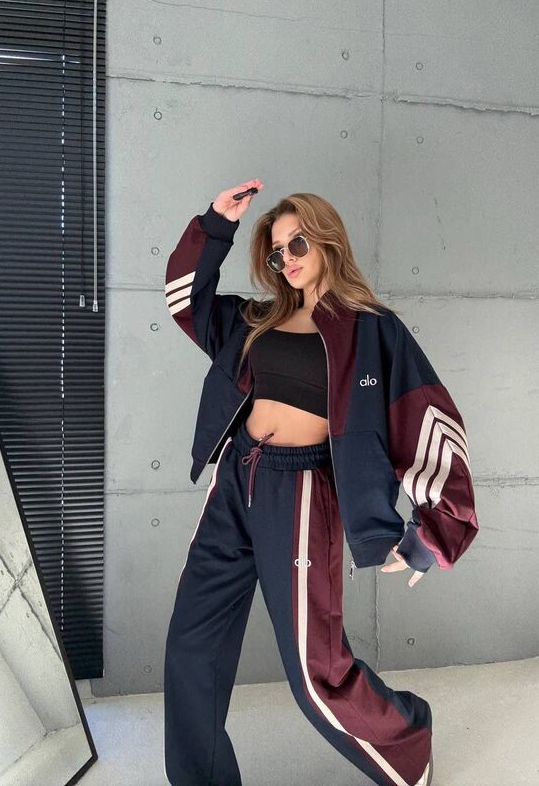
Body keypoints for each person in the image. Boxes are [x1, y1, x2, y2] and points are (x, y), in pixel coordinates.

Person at [163, 179, 478, 786]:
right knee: (190, 646)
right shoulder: (256, 318)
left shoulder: (373, 330)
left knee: (317, 674)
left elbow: (431, 422)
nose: (287, 259)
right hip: (236, 482)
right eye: (277, 253)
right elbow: (185, 300)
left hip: (303, 494)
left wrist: (434, 533)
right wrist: (215, 225)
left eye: (297, 243)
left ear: (327, 239)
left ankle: (409, 742)